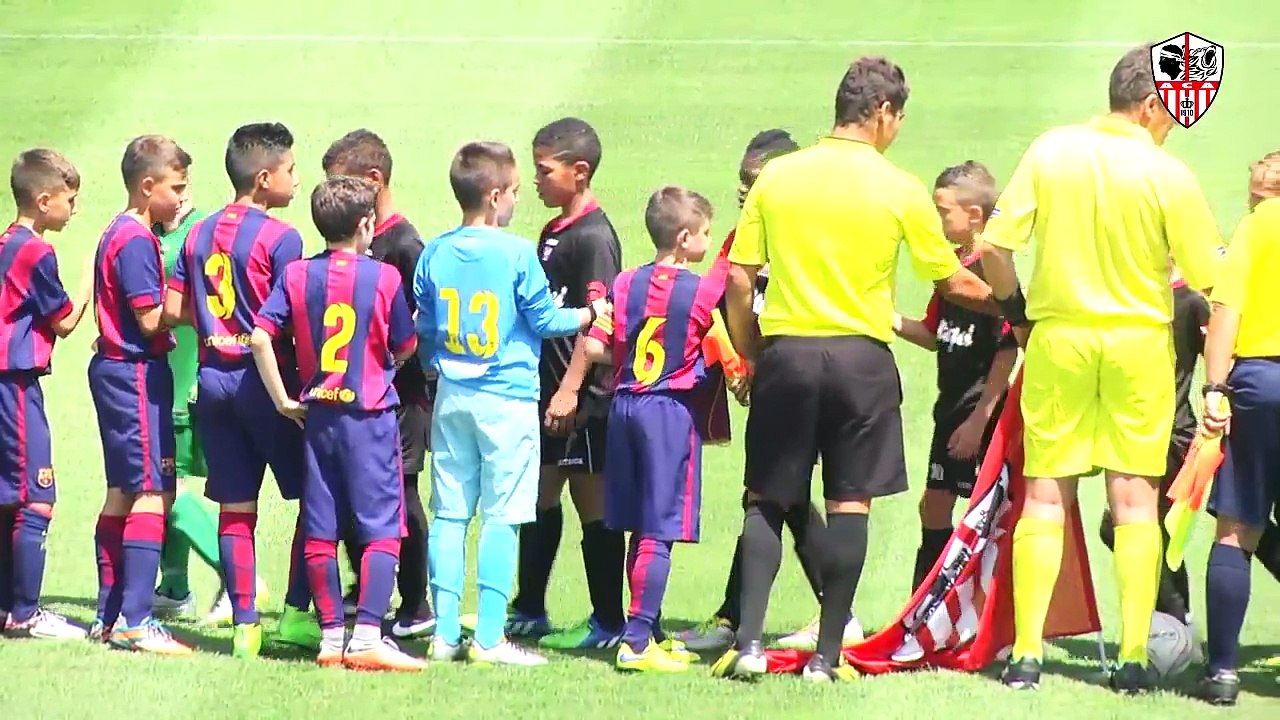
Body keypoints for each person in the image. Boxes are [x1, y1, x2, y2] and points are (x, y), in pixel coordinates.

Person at [714, 56, 995, 683]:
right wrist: (1015, 304)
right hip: (860, 363)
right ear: (881, 113)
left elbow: (739, 276)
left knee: (765, 499)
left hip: (787, 353)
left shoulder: (778, 177)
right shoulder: (899, 187)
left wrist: (752, 350)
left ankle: (751, 645)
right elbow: (950, 280)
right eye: (898, 118)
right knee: (849, 505)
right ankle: (827, 657)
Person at [978, 45, 1223, 693]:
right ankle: (1135, 659)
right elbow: (1211, 279)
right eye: (1169, 110)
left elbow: (994, 248)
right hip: (1140, 345)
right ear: (1147, 105)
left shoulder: (1052, 150)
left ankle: (1027, 655)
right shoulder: (1169, 173)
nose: (1172, 121)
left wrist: (1019, 314)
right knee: (1135, 498)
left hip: (1060, 337)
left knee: (1047, 492)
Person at [415, 141, 604, 666]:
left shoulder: (434, 251)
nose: (519, 201)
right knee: (502, 515)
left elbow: (424, 331)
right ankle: (491, 637)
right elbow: (546, 322)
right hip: (507, 399)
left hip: (452, 394)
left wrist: (439, 367)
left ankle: (444, 633)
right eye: (516, 192)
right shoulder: (518, 252)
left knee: (451, 515)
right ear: (495, 195)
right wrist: (590, 317)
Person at [676, 130, 860, 653]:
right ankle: (753, 616)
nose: (743, 192)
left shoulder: (811, 232)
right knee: (777, 493)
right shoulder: (745, 235)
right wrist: (740, 362)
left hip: (808, 369)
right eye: (742, 181)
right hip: (775, 374)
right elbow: (717, 296)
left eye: (754, 181)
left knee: (775, 493)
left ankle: (805, 616)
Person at [252, 175, 424, 672]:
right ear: (365, 225)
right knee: (383, 528)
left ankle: (330, 637)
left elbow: (261, 338)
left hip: (318, 416)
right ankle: (368, 634)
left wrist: (285, 399)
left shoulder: (297, 275)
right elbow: (406, 344)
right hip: (368, 417)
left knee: (321, 528)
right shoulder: (384, 278)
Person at [161, 122, 319, 657]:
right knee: (315, 499)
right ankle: (297, 614)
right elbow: (292, 317)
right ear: (264, 177)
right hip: (267, 383)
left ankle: (244, 625)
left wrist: (214, 320)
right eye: (291, 171)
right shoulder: (283, 238)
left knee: (235, 508)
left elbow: (176, 310)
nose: (297, 181)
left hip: (213, 382)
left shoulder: (199, 232)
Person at [583, 186, 724, 673]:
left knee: (635, 525)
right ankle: (638, 641)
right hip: (667, 410)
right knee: (658, 530)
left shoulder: (624, 283)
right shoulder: (703, 289)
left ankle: (647, 629)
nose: (709, 241)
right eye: (705, 233)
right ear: (685, 239)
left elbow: (598, 347)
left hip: (624, 405)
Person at [510, 117, 626, 650]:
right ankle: (530, 607)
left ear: (579, 172)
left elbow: (599, 316)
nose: (535, 180)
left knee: (591, 501)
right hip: (547, 390)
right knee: (539, 497)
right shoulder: (554, 229)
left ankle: (608, 621)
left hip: (580, 397)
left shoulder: (595, 237)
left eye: (543, 170)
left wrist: (571, 388)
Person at [322, 129, 434, 638]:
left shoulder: (406, 246)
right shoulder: (353, 241)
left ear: (373, 180)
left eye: (341, 183)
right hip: (359, 397)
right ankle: (364, 586)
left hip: (401, 396)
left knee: (401, 493)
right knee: (353, 489)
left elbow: (417, 329)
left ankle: (415, 601)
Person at [893, 161, 1017, 595]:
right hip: (950, 410)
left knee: (984, 515)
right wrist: (884, 317)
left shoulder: (988, 271)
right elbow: (933, 335)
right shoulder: (952, 270)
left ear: (975, 216)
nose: (936, 219)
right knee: (934, 507)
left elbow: (1007, 349)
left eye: (943, 210)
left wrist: (979, 419)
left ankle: (970, 610)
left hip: (979, 414)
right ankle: (925, 610)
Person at [88, 135, 191, 655]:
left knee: (123, 491)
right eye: (176, 188)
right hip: (133, 371)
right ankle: (135, 620)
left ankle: (109, 615)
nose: (182, 197)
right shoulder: (134, 240)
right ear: (147, 186)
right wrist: (197, 302)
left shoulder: (119, 230)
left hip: (116, 367)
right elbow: (150, 317)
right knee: (152, 490)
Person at [151, 195, 268, 625]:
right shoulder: (177, 232)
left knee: (169, 491)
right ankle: (175, 587)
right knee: (163, 485)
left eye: (182, 186)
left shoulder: (191, 235)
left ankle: (239, 576)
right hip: (169, 381)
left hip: (182, 385)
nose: (181, 196)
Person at [1197, 150, 1280, 706]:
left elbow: (1226, 312)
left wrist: (1215, 387)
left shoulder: (1260, 225)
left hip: (1262, 384)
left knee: (1237, 529)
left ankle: (1223, 671)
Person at [0, 149, 92, 640]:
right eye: (69, 200)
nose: (73, 209)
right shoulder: (37, 251)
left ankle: (7, 608)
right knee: (37, 497)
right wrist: (88, 282)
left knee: (5, 497)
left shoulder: (5, 242)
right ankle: (27, 613)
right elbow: (65, 321)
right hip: (13, 384)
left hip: (6, 383)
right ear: (43, 200)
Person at [1096, 261, 1208, 637]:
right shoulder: (1131, 296)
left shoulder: (1191, 302)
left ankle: (1176, 624)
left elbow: (1221, 360)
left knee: (1143, 529)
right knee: (1133, 529)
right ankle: (1175, 623)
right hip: (1132, 429)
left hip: (1173, 433)